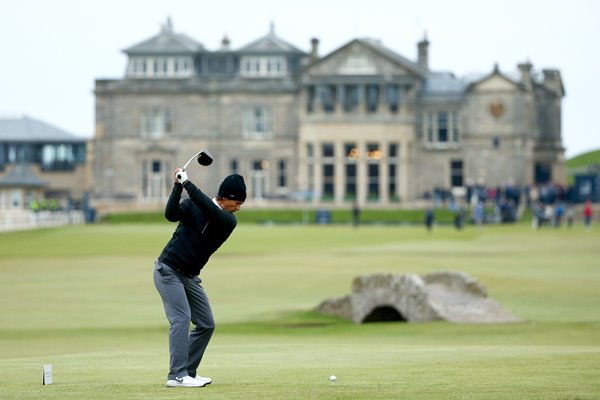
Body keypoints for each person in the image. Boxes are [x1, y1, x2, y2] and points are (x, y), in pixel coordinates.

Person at [154, 168, 246, 388]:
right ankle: (177, 376)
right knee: (181, 319)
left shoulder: (228, 220)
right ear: (225, 197)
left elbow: (210, 210)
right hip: (168, 270)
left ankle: (188, 372)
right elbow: (170, 214)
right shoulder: (194, 204)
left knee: (206, 323)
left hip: (190, 277)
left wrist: (187, 183)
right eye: (237, 202)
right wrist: (178, 186)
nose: (239, 208)